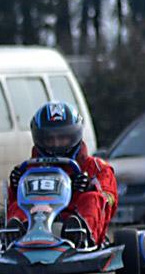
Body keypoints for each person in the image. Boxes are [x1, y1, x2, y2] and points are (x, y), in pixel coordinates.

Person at [6, 101, 118, 247]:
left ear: (75, 135)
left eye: (62, 138)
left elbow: (109, 199)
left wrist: (89, 187)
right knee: (18, 205)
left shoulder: (96, 167)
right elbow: (11, 203)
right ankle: (16, 236)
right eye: (50, 139)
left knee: (92, 199)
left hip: (75, 218)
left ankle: (80, 234)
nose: (56, 144)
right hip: (38, 218)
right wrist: (16, 187)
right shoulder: (27, 169)